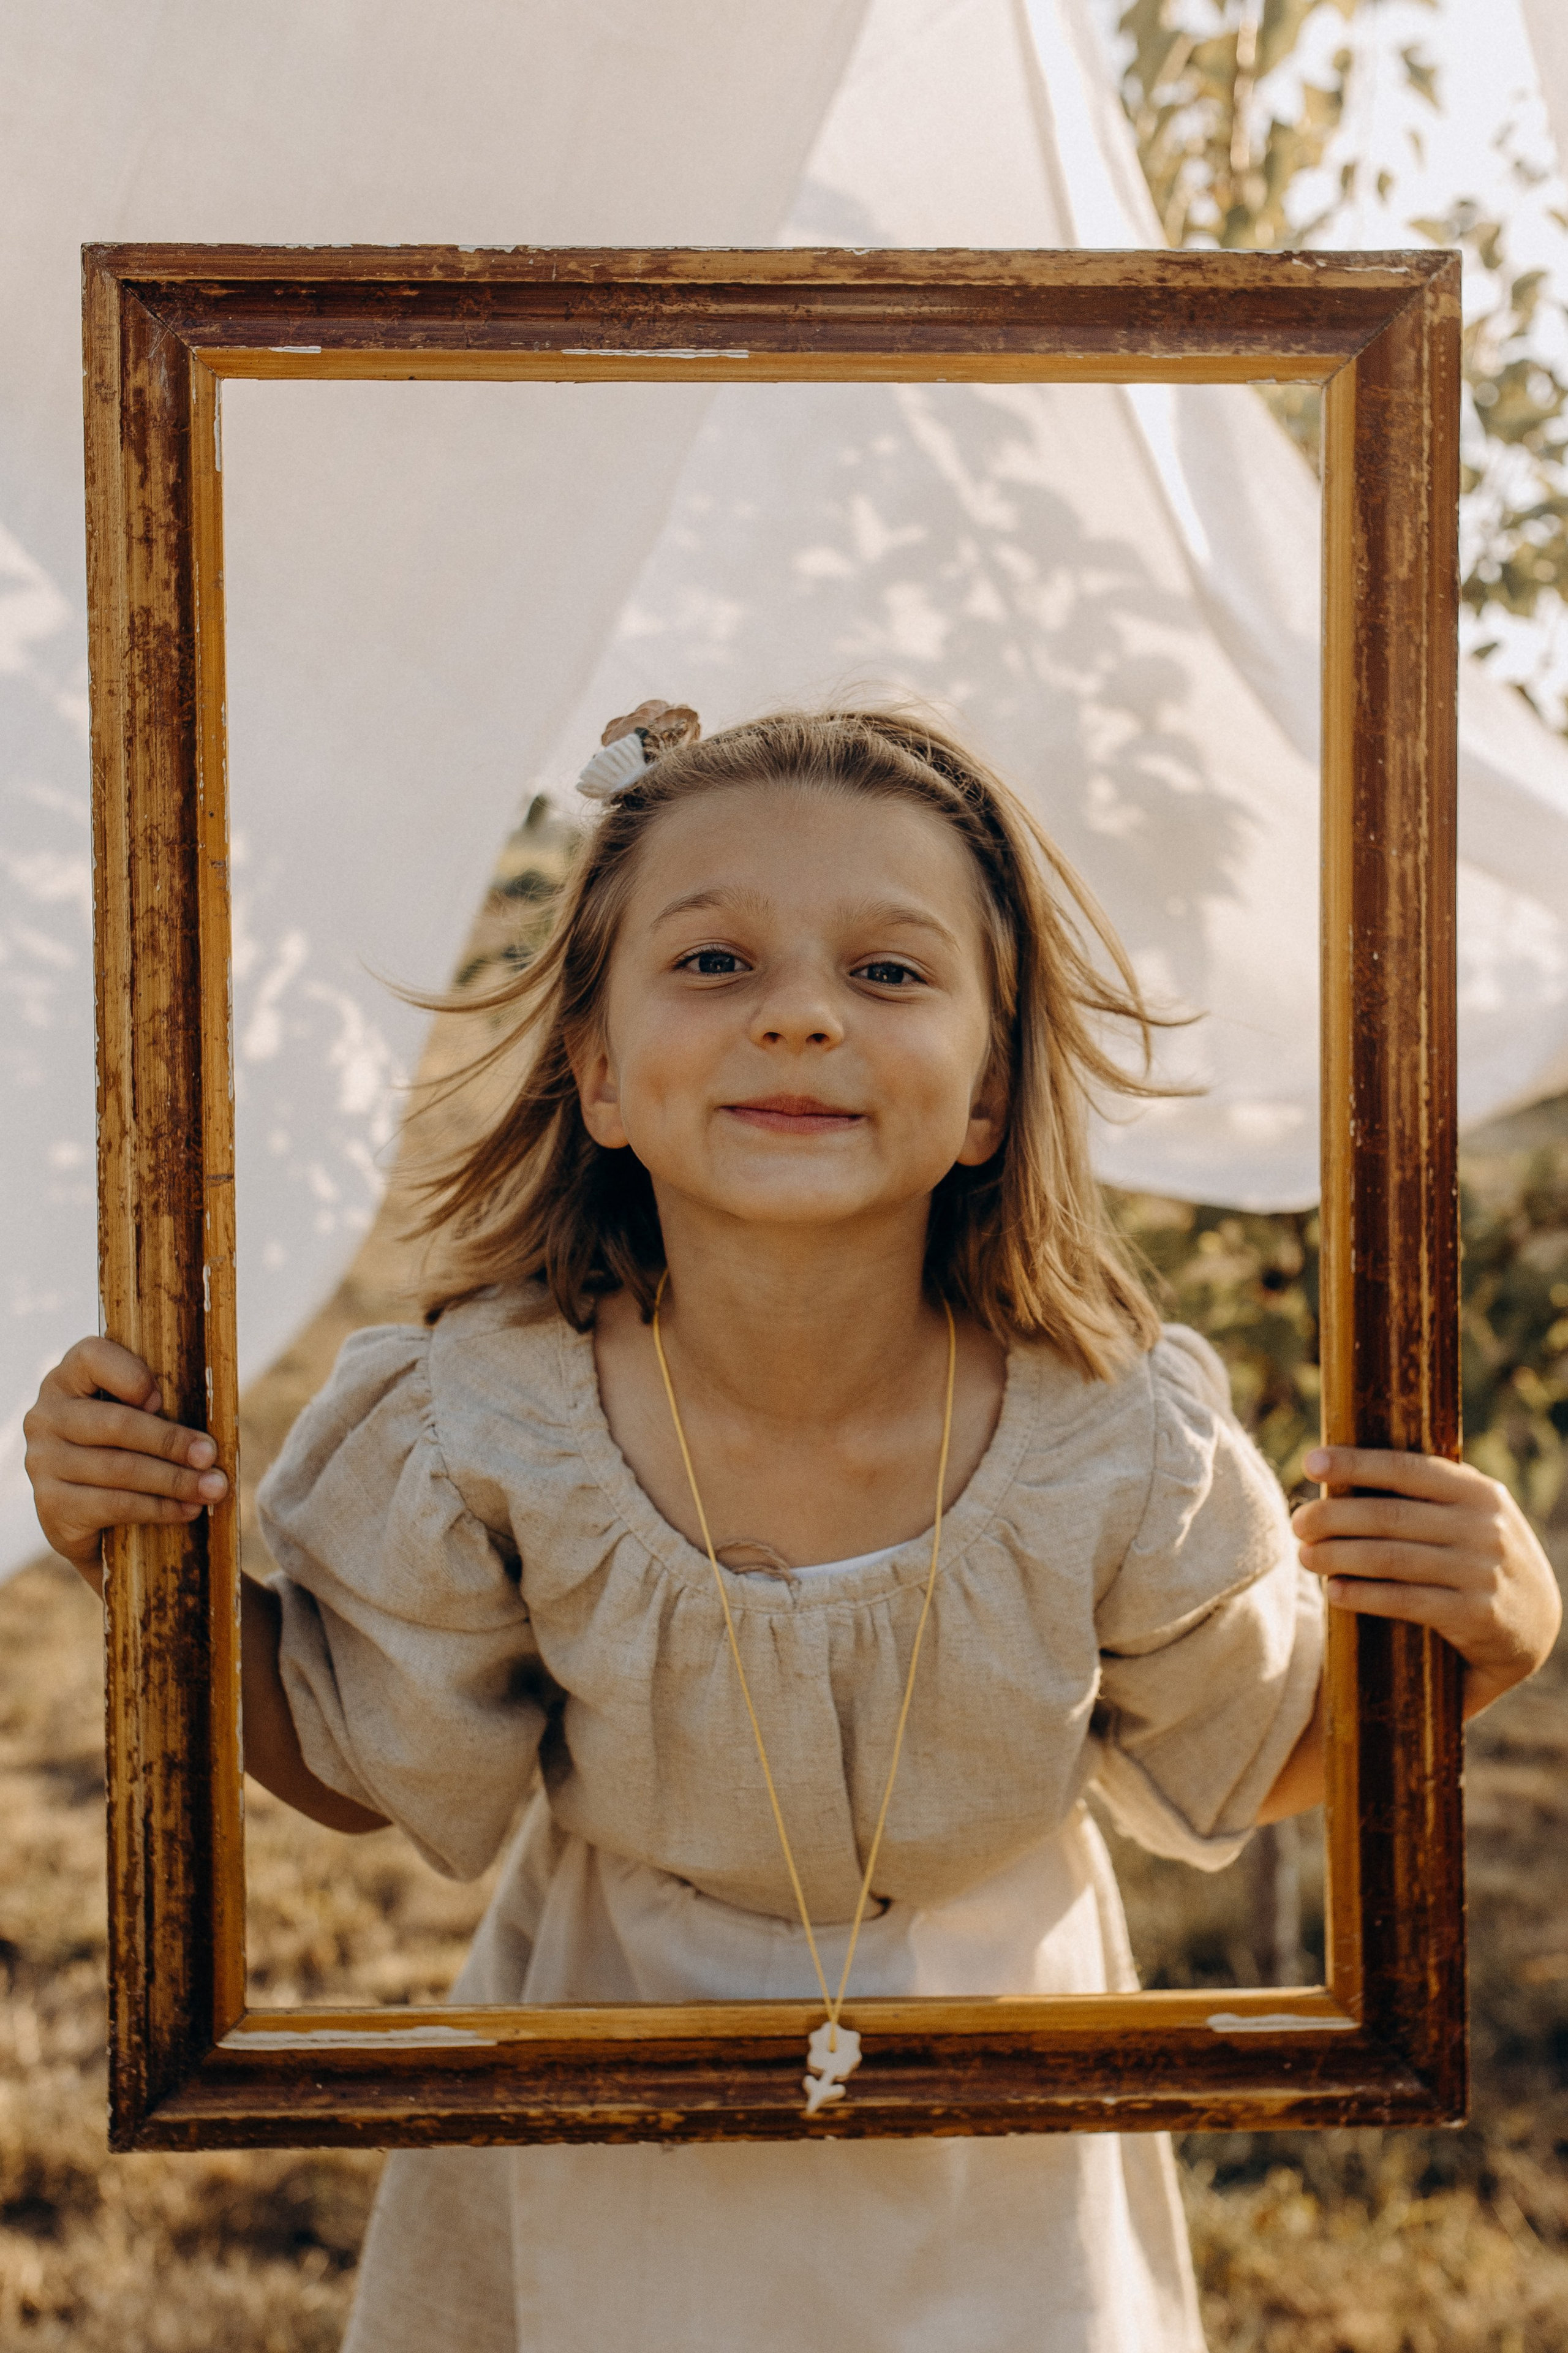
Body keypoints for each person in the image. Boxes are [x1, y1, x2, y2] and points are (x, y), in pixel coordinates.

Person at [24, 704, 1562, 2352]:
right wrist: (146, 1560)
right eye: (715, 962)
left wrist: (1490, 1645)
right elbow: (354, 1761)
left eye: (889, 972)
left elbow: (1251, 1754)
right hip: (610, 2080)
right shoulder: (496, 1428)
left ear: (989, 1092)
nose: (803, 1016)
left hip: (1001, 2095)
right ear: (598, 1070)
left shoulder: (1109, 1440)